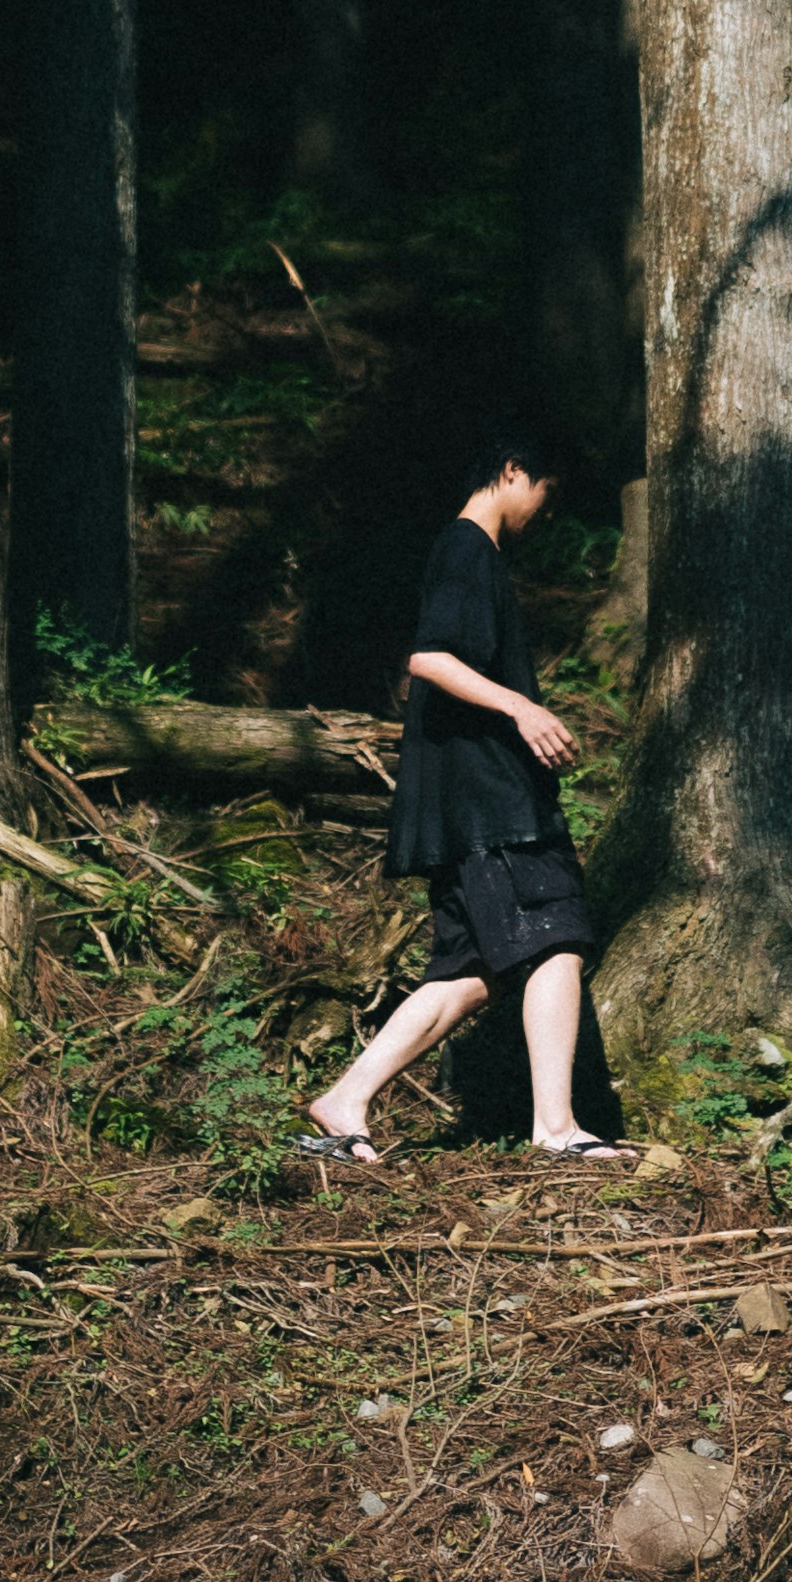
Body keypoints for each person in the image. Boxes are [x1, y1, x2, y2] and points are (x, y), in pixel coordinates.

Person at [303, 433, 625, 1167]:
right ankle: (556, 1128)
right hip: (489, 804)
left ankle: (345, 1100)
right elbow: (429, 658)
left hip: (460, 810)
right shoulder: (467, 548)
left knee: (466, 975)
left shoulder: (471, 552)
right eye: (545, 489)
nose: (546, 511)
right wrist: (524, 708)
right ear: (512, 471)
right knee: (558, 937)